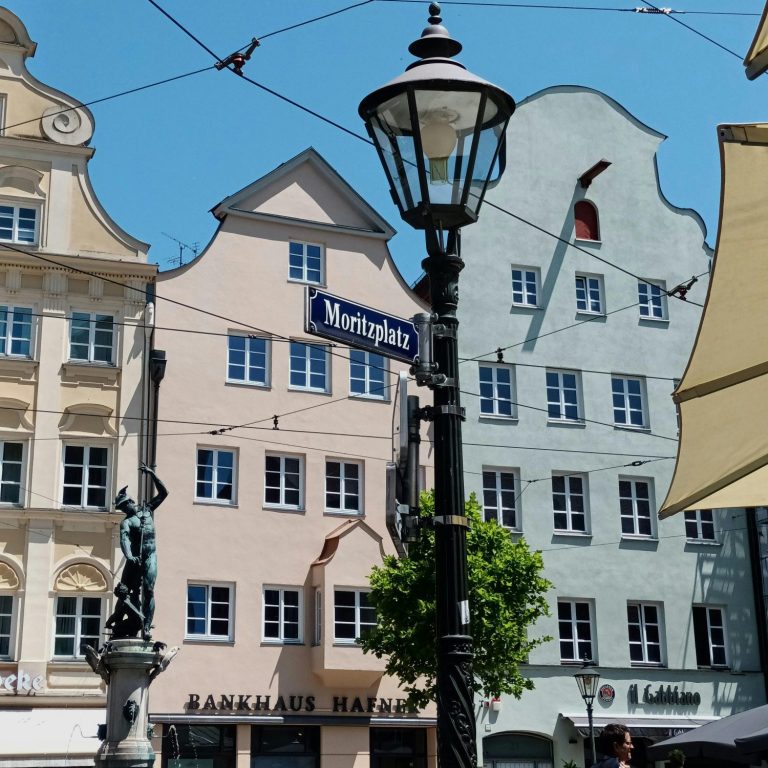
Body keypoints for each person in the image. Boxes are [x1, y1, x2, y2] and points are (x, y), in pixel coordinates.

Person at [113, 463, 168, 641]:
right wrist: (129, 556)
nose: (123, 510)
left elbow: (164, 493)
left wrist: (152, 474)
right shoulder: (127, 522)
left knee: (149, 590)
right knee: (124, 591)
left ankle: (146, 627)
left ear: (130, 502)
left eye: (123, 506)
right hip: (135, 558)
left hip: (150, 556)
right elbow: (124, 539)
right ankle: (117, 620)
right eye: (120, 508)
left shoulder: (148, 510)